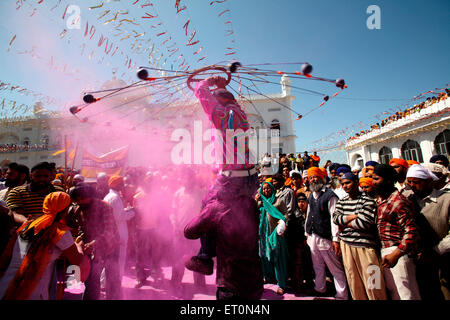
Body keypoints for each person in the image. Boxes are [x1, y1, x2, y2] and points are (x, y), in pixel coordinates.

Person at [184, 75, 259, 276]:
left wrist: (207, 82)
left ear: (218, 101)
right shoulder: (240, 113)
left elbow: (200, 91)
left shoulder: (221, 114)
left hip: (233, 179)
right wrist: (222, 86)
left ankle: (205, 256)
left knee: (208, 205)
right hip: (251, 178)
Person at [184, 179, 264, 300]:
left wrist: (205, 210)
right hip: (254, 281)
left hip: (230, 282)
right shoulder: (250, 203)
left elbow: (189, 231)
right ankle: (205, 256)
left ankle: (205, 256)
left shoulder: (216, 207)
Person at [0, 192, 90, 299]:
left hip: (7, 284)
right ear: (66, 210)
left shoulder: (29, 224)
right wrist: (79, 246)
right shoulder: (60, 231)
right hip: (31, 289)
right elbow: (76, 259)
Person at [333, 172, 387, 300]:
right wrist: (352, 217)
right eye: (343, 184)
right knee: (354, 282)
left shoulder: (368, 200)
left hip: (366, 247)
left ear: (356, 183)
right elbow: (335, 218)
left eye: (348, 183)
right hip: (347, 245)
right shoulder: (342, 201)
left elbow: (364, 222)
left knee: (374, 283)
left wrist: (344, 223)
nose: (345, 186)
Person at [371, 164, 421, 300]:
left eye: (376, 179)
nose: (372, 182)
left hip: (398, 253)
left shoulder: (399, 201)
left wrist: (396, 254)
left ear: (387, 180)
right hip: (384, 250)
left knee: (406, 293)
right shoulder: (380, 200)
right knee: (394, 292)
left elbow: (411, 231)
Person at [68, 183, 121, 300]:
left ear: (91, 196)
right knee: (92, 281)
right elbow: (82, 229)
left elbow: (109, 232)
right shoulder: (78, 209)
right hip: (92, 251)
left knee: (112, 280)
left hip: (110, 247)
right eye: (78, 199)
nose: (80, 201)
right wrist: (81, 240)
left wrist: (93, 244)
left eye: (83, 198)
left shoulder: (104, 207)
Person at [406, 165, 450, 300]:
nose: (412, 186)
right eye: (410, 182)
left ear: (428, 181)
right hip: (418, 261)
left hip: (443, 259)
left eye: (417, 182)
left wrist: (435, 251)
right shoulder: (409, 199)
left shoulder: (446, 199)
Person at [304, 167, 349, 300]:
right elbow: (308, 214)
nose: (313, 179)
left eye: (315, 177)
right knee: (317, 266)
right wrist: (306, 233)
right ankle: (320, 289)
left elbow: (334, 218)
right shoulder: (311, 195)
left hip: (326, 237)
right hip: (313, 237)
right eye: (311, 177)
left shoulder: (330, 195)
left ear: (322, 178)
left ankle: (342, 295)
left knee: (335, 268)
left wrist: (336, 239)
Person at [256, 181, 289, 295]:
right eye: (264, 189)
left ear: (272, 189)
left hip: (275, 234)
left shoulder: (278, 201)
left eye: (268, 188)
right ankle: (269, 277)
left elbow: (285, 215)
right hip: (263, 235)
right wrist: (256, 200)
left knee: (278, 259)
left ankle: (282, 284)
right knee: (265, 258)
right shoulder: (260, 203)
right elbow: (252, 212)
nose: (266, 191)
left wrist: (282, 224)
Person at [104, 175, 135, 282]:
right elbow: (120, 216)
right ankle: (116, 284)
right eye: (122, 183)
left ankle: (104, 283)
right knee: (118, 261)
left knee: (109, 261)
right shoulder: (115, 198)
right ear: (118, 185)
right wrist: (132, 212)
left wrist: (127, 210)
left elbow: (117, 212)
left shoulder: (110, 196)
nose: (123, 186)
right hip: (118, 233)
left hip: (112, 232)